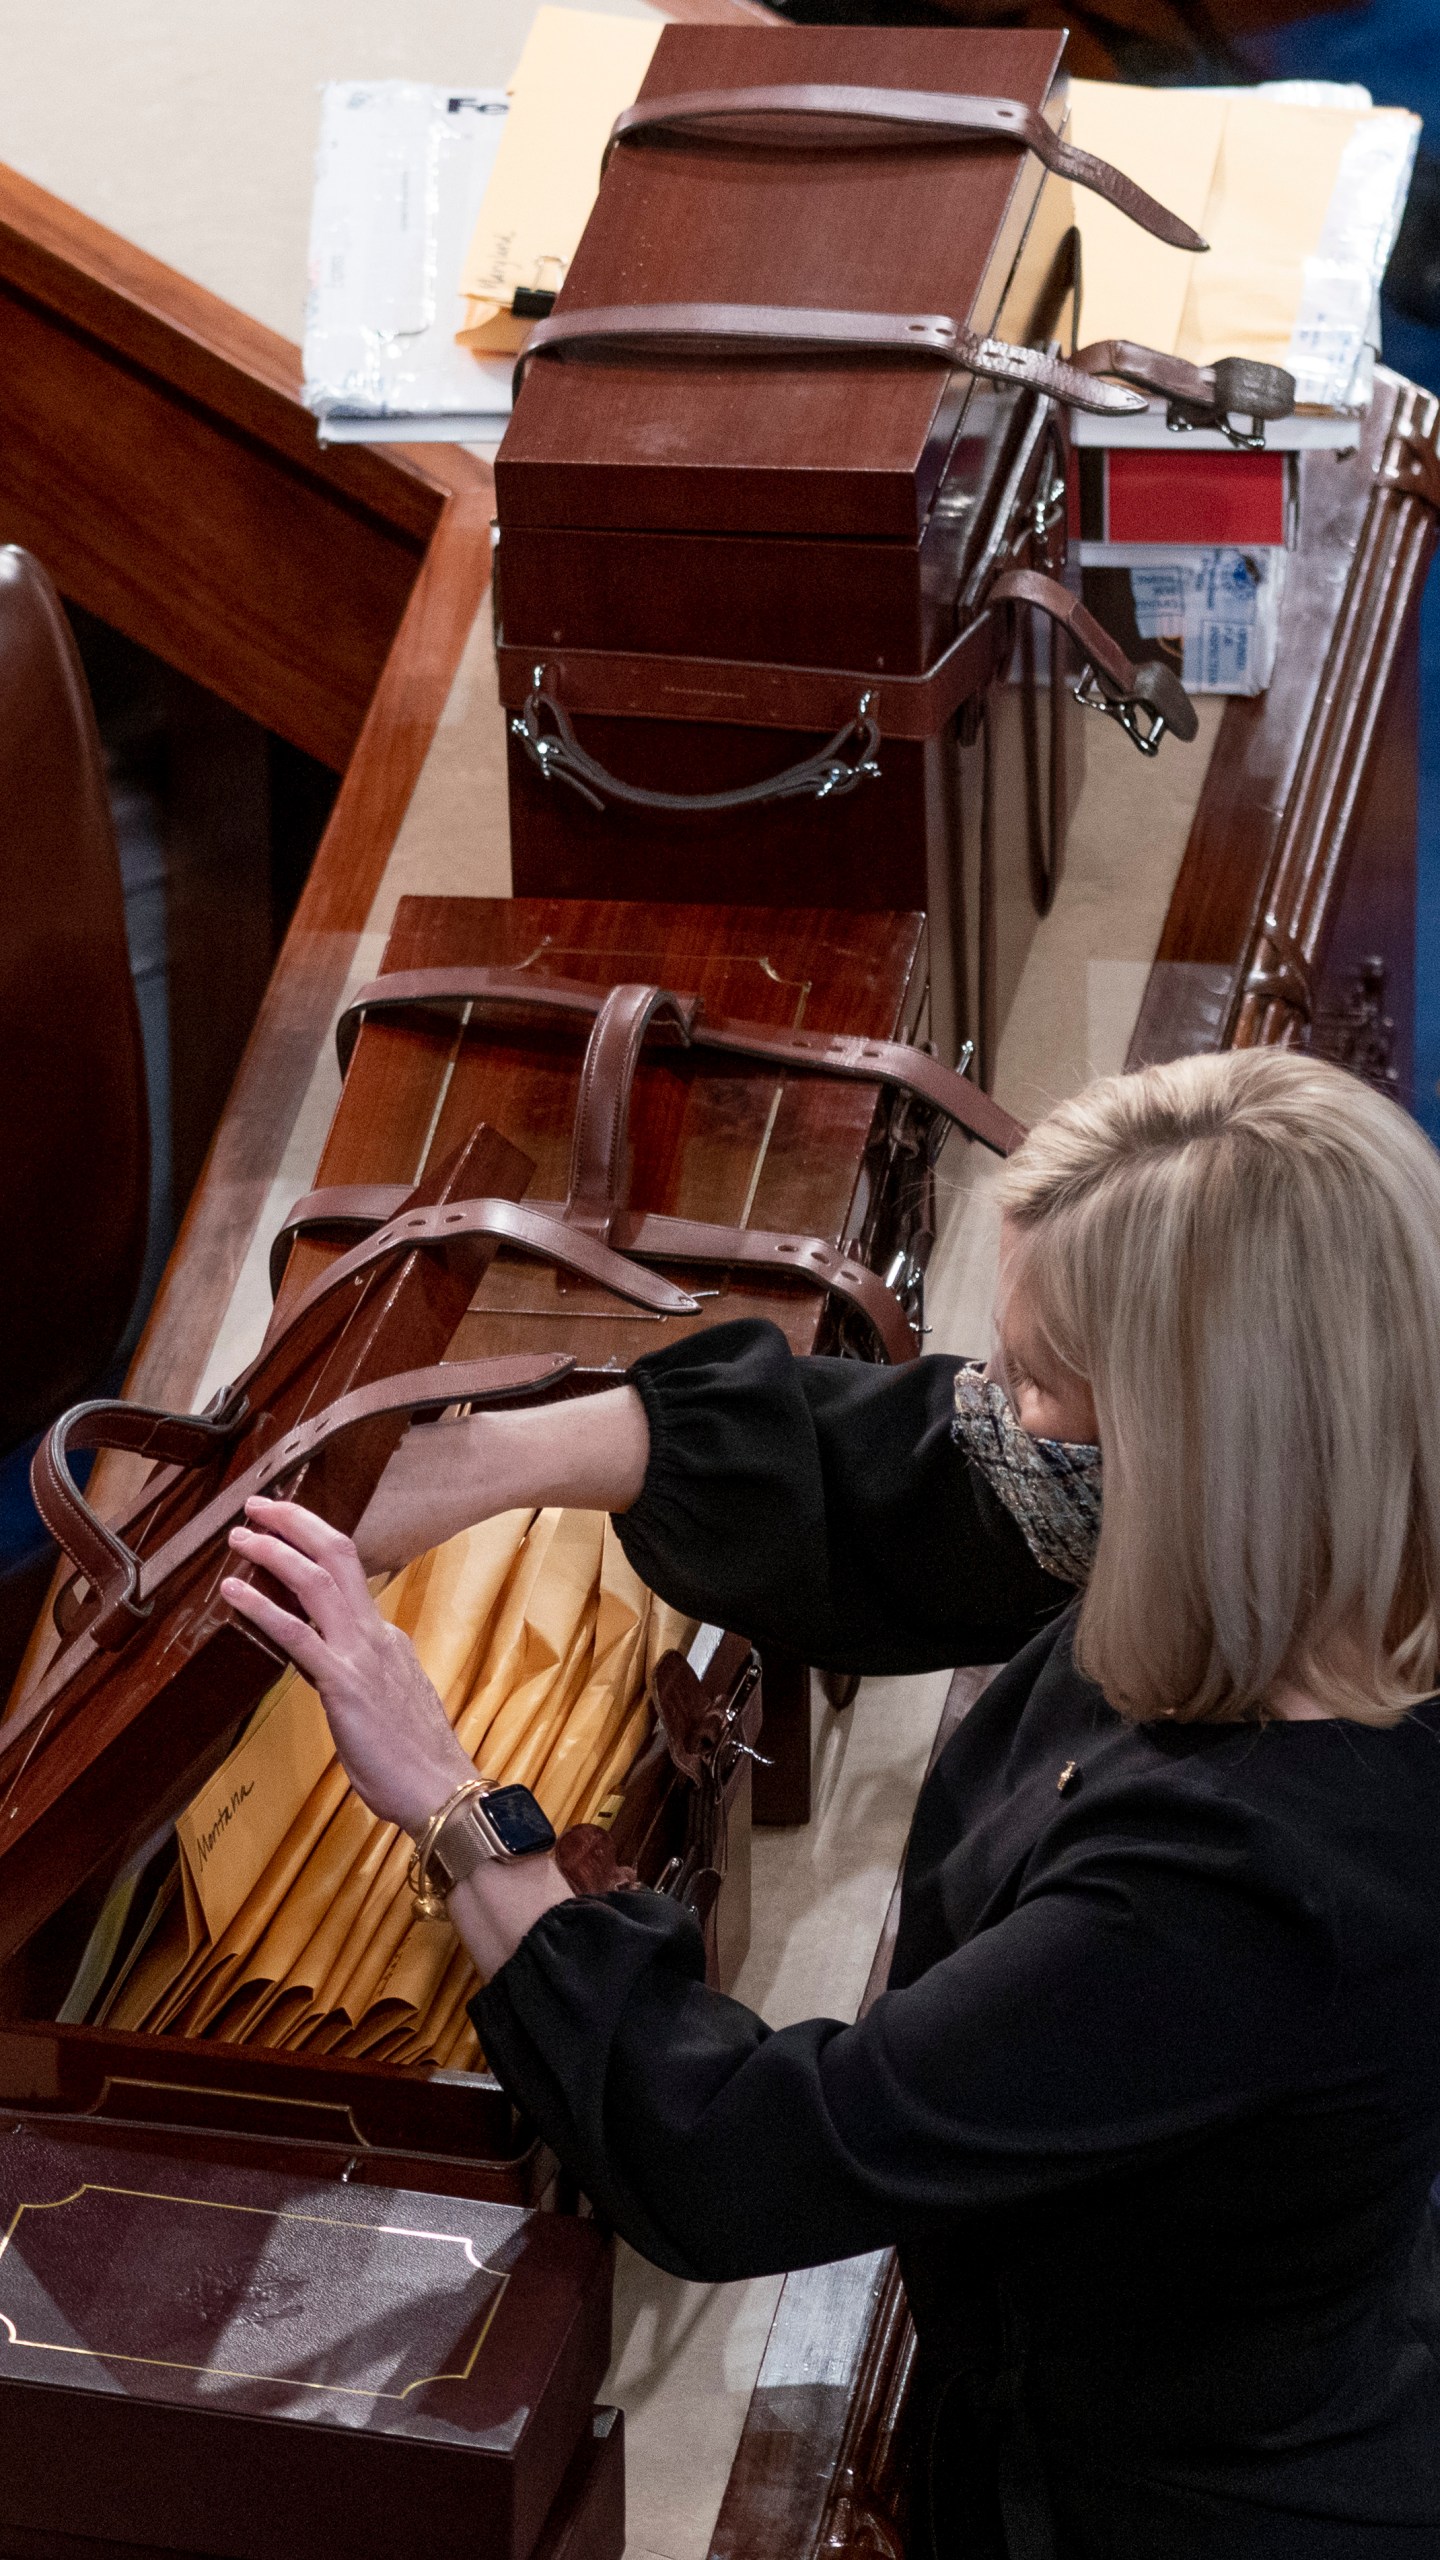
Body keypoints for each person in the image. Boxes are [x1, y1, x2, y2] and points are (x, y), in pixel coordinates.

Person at [221, 1047, 1440, 2559]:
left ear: (1194, 1451)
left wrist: (458, 1803)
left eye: (1045, 1378)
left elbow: (752, 2155)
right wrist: (490, 1461)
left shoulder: (1240, 1885)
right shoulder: (1325, 1515)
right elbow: (941, 1477)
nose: (1000, 1407)